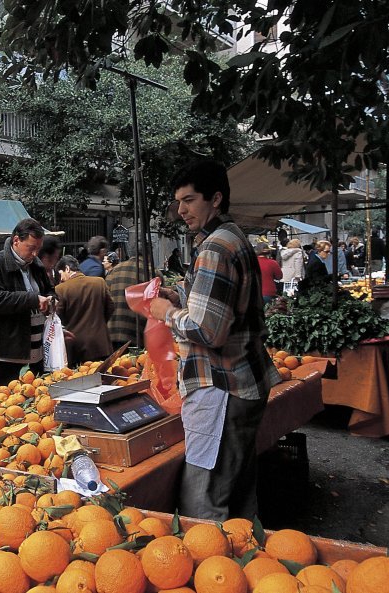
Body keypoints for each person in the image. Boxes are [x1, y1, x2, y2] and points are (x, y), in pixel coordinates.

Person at [149, 160, 280, 521]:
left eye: (189, 200)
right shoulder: (232, 237)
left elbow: (209, 331)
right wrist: (180, 295)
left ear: (216, 198)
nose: (181, 210)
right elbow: (218, 305)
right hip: (241, 382)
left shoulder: (215, 248)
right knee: (236, 491)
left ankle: (219, 569)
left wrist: (165, 312)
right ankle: (248, 562)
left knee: (204, 501)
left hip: (221, 386)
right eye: (178, 201)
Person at [0, 218, 55, 388]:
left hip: (37, 351)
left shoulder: (36, 265)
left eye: (38, 248)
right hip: (9, 354)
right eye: (31, 248)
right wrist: (33, 299)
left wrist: (51, 299)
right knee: (8, 404)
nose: (35, 254)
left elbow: (49, 289)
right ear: (16, 241)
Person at [55, 255, 115, 364]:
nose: (61, 279)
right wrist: (99, 323)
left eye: (61, 274)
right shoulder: (99, 282)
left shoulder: (60, 289)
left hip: (76, 347)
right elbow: (110, 307)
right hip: (101, 344)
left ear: (67, 269)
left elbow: (58, 317)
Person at [106, 248, 145, 350]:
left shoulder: (114, 270)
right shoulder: (151, 272)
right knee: (133, 364)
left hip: (112, 329)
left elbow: (105, 297)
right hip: (136, 332)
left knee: (116, 364)